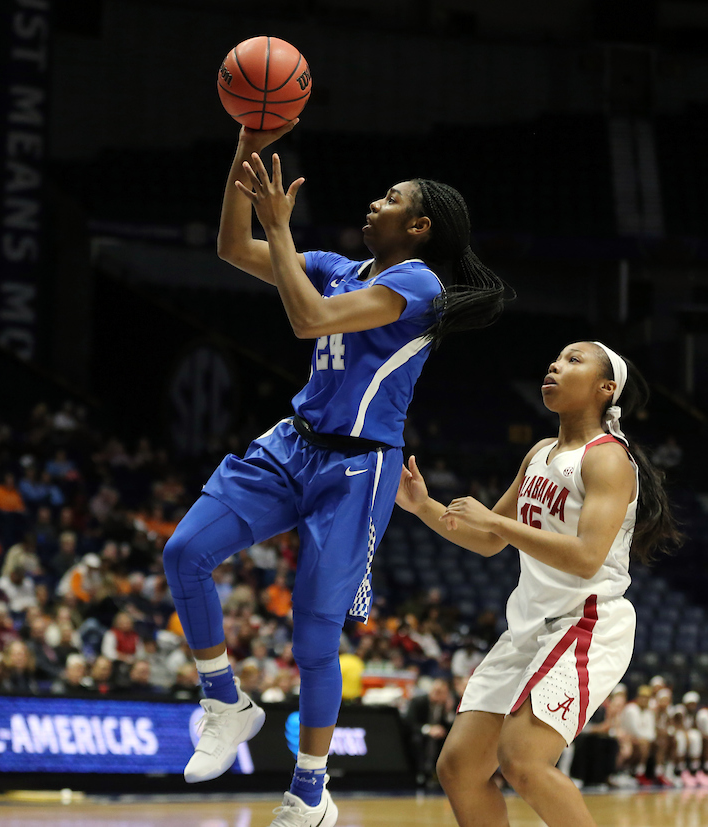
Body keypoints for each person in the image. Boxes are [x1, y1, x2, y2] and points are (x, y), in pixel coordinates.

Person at [162, 119, 511, 827]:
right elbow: (234, 246)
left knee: (314, 635)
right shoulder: (338, 265)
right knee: (184, 550)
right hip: (293, 445)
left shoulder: (418, 284)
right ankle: (225, 701)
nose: (373, 204)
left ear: (417, 226)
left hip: (358, 471)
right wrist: (244, 151)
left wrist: (282, 230)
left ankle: (310, 791)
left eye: (390, 198)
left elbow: (311, 320)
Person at [397, 343, 678, 827]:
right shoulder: (540, 453)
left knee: (523, 760)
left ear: (605, 389)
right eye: (555, 358)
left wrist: (499, 525)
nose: (554, 364)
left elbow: (588, 558)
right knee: (460, 768)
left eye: (573, 361)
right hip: (530, 627)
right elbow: (487, 539)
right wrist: (423, 506)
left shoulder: (608, 459)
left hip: (585, 622)